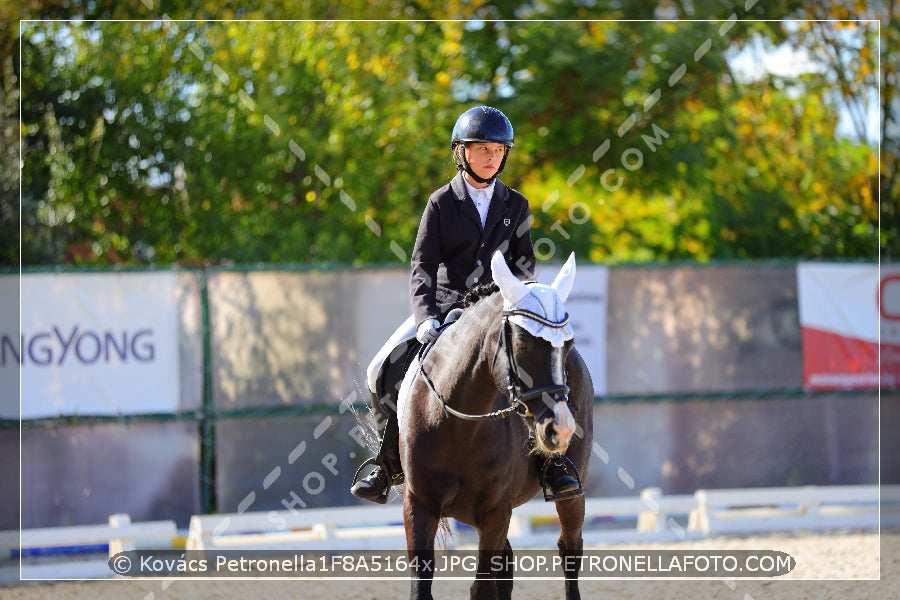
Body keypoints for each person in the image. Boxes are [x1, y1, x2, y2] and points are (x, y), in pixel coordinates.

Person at [350, 106, 581, 504]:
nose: (491, 157)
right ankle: (388, 464)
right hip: (445, 310)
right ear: (461, 152)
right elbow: (423, 264)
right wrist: (426, 318)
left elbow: (525, 264)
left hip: (499, 312)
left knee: (541, 364)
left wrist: (516, 301)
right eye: (482, 149)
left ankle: (552, 465)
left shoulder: (516, 204)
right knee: (378, 372)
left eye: (498, 149)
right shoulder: (440, 203)